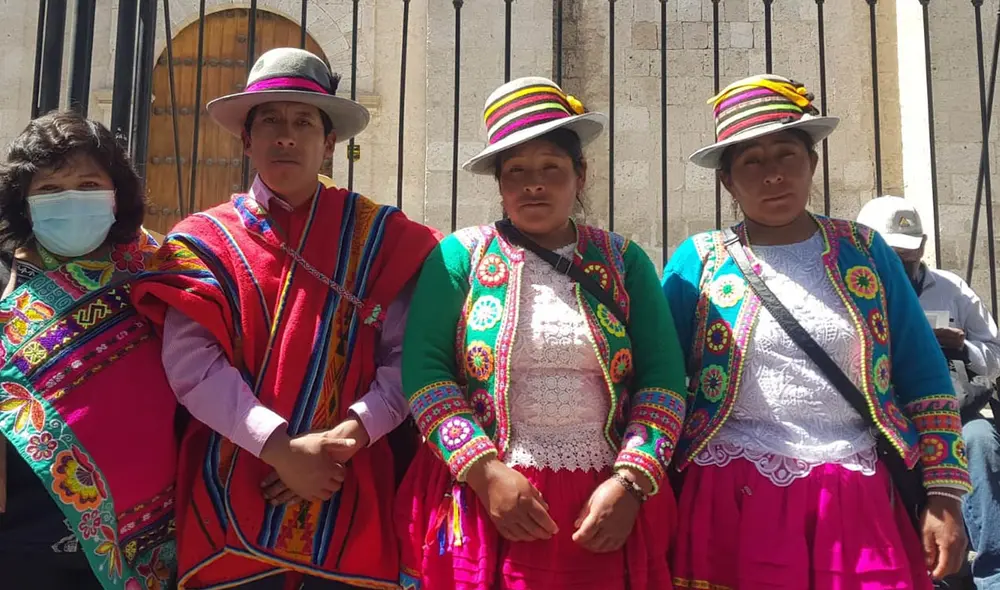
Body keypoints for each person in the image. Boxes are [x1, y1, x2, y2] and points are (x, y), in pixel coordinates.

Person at [131, 47, 439, 589]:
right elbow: (192, 364)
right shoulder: (202, 242)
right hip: (232, 485)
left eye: (303, 121)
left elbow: (406, 357)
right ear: (246, 139)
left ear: (329, 144)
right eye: (269, 119)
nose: (286, 135)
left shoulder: (384, 239)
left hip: (347, 482)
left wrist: (346, 437)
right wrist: (281, 450)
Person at [662, 74, 970, 589]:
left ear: (812, 163)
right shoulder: (700, 261)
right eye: (751, 162)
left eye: (786, 154)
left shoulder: (865, 252)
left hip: (857, 489)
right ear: (728, 181)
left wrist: (943, 495)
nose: (772, 175)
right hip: (730, 489)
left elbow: (924, 375)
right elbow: (660, 380)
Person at [394, 76, 688, 590]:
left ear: (581, 174)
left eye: (551, 167)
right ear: (501, 185)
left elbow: (663, 380)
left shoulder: (624, 263)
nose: (534, 184)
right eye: (517, 172)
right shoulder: (461, 257)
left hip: (602, 501)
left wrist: (631, 481)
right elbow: (425, 370)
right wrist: (484, 472)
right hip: (489, 494)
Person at [0, 111, 178, 589]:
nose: (71, 199)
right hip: (22, 542)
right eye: (50, 190)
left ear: (116, 194)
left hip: (151, 540)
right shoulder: (5, 283)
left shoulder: (158, 273)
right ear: (24, 202)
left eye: (87, 183)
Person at [859, 195, 1000, 590]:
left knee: (981, 441)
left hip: (954, 411)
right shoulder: (855, 293)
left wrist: (960, 346)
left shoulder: (951, 288)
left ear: (921, 247)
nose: (901, 264)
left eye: (908, 253)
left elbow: (995, 354)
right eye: (891, 254)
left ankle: (993, 571)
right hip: (884, 415)